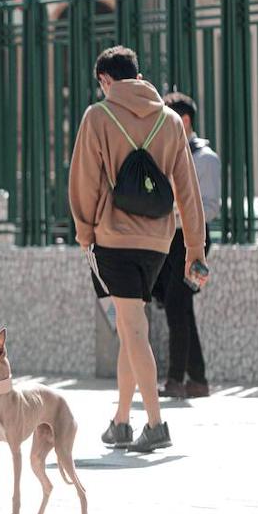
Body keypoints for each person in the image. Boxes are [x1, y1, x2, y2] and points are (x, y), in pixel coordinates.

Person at [68, 46, 207, 453]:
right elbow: (188, 189)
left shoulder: (98, 115)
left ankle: (155, 424)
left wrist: (84, 233)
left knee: (133, 330)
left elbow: (84, 182)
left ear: (107, 81)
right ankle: (121, 422)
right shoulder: (169, 119)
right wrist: (194, 246)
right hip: (160, 243)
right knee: (133, 328)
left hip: (114, 239)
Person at [154, 92, 220, 399]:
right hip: (170, 239)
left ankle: (176, 379)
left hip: (193, 240)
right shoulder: (167, 152)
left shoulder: (205, 158)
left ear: (185, 120)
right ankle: (198, 379)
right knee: (180, 306)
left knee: (178, 306)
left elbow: (211, 207)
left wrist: (180, 208)